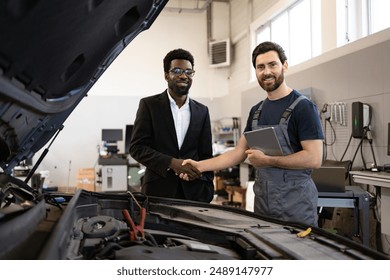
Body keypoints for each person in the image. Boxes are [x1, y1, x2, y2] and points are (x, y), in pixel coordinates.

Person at [181, 42, 324, 226]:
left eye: (273, 64)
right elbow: (237, 153)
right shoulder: (257, 111)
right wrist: (199, 166)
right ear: (256, 71)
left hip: (296, 204)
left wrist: (268, 161)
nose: (267, 72)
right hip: (264, 202)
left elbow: (314, 158)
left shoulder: (303, 107)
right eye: (260, 67)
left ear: (285, 65)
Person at [129, 48, 214, 203]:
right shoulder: (149, 105)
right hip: (158, 190)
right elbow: (137, 148)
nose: (183, 76)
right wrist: (172, 163)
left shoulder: (202, 111)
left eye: (189, 71)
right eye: (177, 70)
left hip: (195, 192)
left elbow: (206, 154)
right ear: (166, 75)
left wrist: (207, 185)